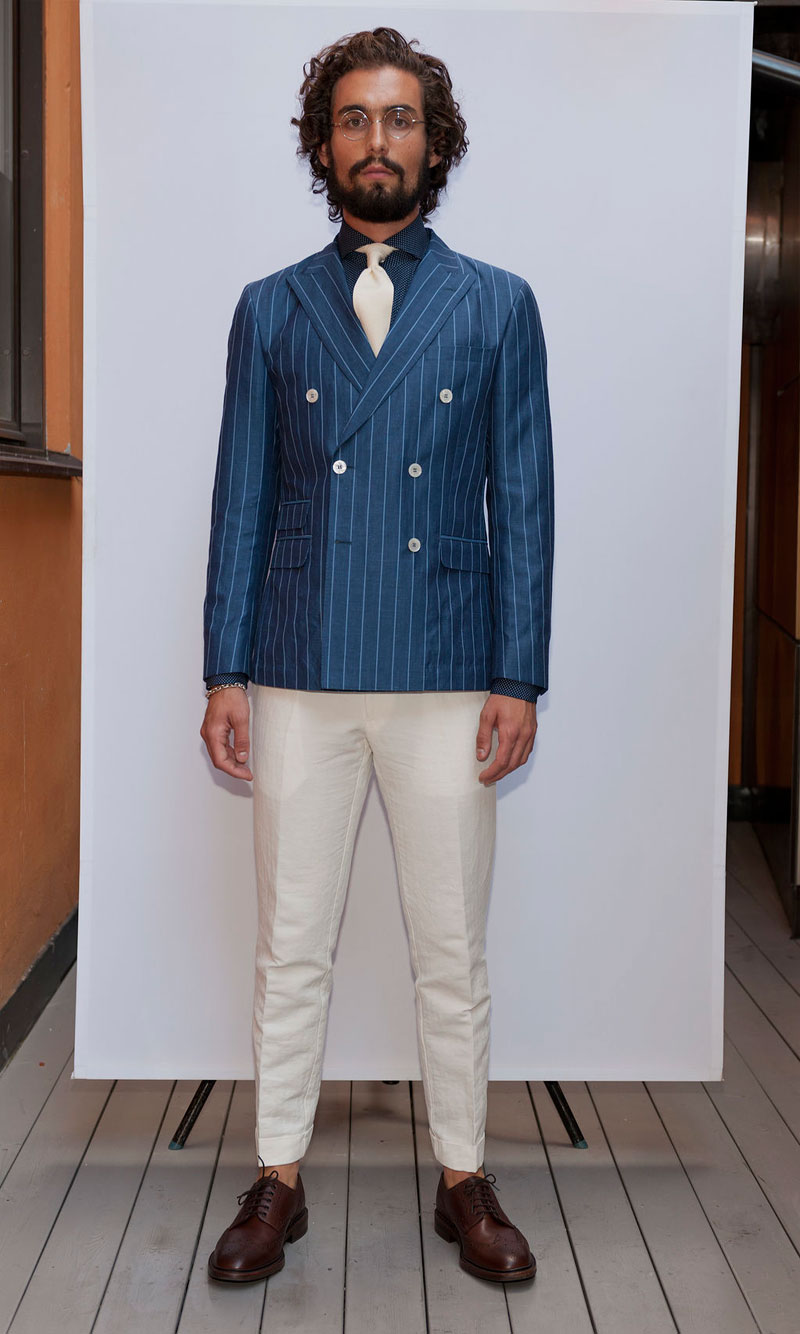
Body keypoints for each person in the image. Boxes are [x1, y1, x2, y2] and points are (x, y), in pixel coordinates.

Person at [200, 25, 554, 1287]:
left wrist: (517, 674)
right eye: (352, 118)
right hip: (299, 662)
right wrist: (223, 669)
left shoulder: (497, 303)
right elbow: (242, 497)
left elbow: (523, 500)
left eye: (399, 118)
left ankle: (463, 1174)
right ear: (321, 146)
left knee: (448, 946)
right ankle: (277, 1176)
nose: (376, 140)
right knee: (291, 941)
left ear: (434, 144)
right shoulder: (270, 306)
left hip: (448, 667)